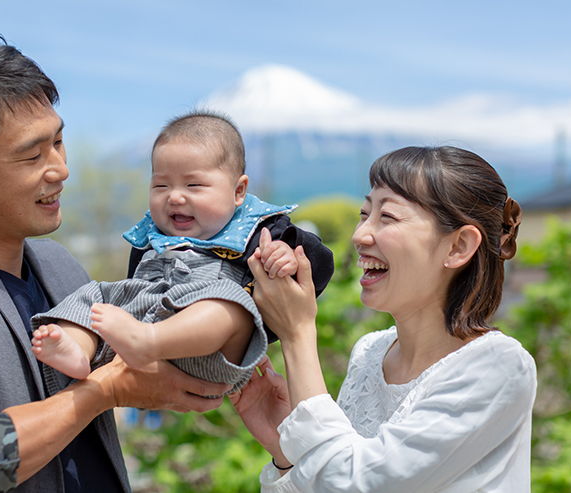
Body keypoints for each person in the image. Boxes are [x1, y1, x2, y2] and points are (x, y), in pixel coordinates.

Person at [0, 30, 233, 493]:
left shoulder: (58, 266)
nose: (60, 168)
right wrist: (105, 392)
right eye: (32, 154)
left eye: (58, 142)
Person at [230, 146, 538, 492]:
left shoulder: (496, 367)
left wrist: (298, 334)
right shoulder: (370, 353)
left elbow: (359, 484)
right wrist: (287, 450)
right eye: (365, 214)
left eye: (387, 217)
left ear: (458, 246)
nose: (360, 235)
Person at [30, 112, 335, 394]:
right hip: (143, 335)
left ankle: (148, 340)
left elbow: (320, 264)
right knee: (95, 294)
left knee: (232, 305)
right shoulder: (154, 234)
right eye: (161, 185)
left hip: (208, 352)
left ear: (238, 191)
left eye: (194, 184)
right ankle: (78, 349)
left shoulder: (259, 230)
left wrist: (286, 257)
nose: (175, 196)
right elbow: (132, 281)